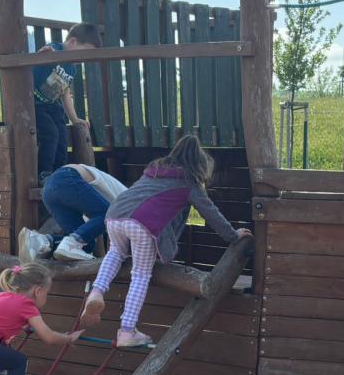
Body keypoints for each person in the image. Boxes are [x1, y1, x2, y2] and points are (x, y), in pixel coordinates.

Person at [80, 133, 253, 348]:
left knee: (115, 253)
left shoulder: (153, 171)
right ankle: (127, 330)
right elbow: (211, 213)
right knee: (141, 275)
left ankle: (97, 292)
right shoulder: (189, 182)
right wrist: (233, 235)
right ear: (198, 164)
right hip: (141, 223)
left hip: (114, 215)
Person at [34, 22, 102, 181]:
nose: (84, 58)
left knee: (62, 136)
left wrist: (74, 118)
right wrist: (48, 55)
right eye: (85, 52)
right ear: (73, 42)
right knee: (50, 133)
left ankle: (59, 172)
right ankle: (44, 172)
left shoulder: (72, 68)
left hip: (52, 105)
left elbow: (65, 92)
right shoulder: (55, 49)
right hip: (35, 104)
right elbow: (46, 54)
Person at [23, 164, 128, 262]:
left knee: (85, 246)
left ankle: (43, 241)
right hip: (67, 177)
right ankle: (72, 243)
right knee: (110, 216)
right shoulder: (130, 204)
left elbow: (88, 228)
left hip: (49, 190)